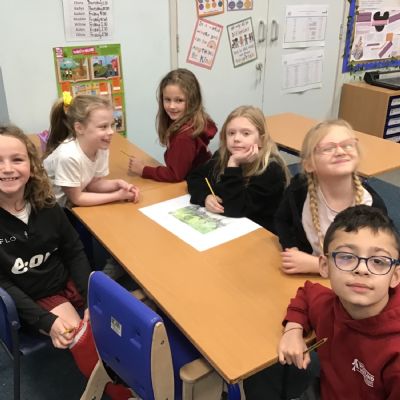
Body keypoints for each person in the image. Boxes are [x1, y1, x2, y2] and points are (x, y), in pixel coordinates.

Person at [0, 125, 132, 399]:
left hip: (65, 283)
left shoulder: (46, 205)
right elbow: (4, 284)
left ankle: (138, 377)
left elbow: (73, 250)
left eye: (17, 159)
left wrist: (90, 296)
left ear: (31, 165)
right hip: (34, 299)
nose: (7, 169)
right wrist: (45, 321)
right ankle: (123, 394)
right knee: (85, 337)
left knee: (120, 317)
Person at [278, 205, 400, 399]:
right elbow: (307, 293)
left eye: (378, 261)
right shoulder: (330, 306)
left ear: (395, 276)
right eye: (346, 257)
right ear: (324, 266)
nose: (361, 269)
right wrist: (293, 329)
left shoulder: (395, 353)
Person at [275, 119, 387, 274]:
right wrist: (291, 248)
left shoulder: (372, 207)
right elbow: (282, 220)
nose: (340, 152)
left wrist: (318, 265)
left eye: (347, 145)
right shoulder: (299, 190)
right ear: (309, 165)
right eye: (328, 148)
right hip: (305, 276)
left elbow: (377, 264)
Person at [186, 105, 290, 232]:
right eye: (231, 133)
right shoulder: (222, 155)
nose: (236, 139)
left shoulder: (271, 170)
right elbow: (195, 177)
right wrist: (205, 197)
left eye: (246, 133)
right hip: (232, 228)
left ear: (261, 140)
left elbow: (235, 208)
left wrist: (234, 164)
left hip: (259, 233)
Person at [43, 93, 139, 207]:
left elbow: (92, 184)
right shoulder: (68, 156)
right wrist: (117, 195)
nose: (111, 132)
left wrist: (118, 184)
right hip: (49, 208)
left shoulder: (100, 147)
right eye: (103, 127)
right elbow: (77, 198)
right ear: (79, 128)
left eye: (111, 125)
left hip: (69, 205)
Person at [128, 68, 217, 182]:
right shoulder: (193, 122)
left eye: (179, 100)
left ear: (193, 101)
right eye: (167, 99)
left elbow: (175, 175)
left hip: (196, 186)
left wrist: (143, 170)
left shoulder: (184, 136)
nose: (171, 106)